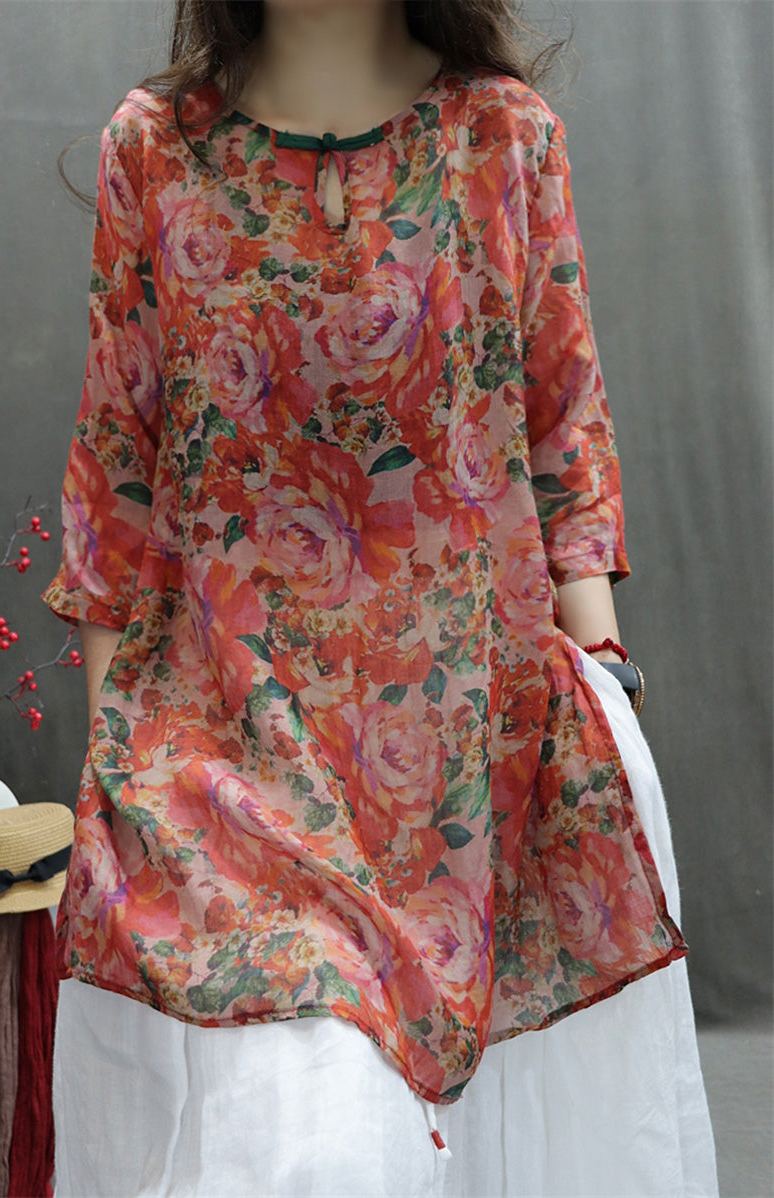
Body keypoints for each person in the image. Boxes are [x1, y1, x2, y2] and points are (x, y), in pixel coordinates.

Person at [42, 1, 719, 1194]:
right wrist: (113, 759)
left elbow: (563, 427)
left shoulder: (504, 136)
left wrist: (606, 680)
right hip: (228, 745)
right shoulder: (155, 149)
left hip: (474, 744)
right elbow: (118, 464)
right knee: (307, 1138)